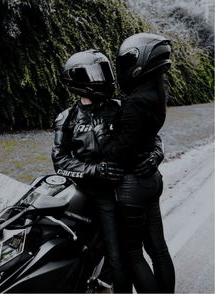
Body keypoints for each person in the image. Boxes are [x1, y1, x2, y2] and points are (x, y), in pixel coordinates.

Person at [51, 49, 165, 292]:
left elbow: (150, 136)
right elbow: (60, 161)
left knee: (130, 255)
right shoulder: (66, 118)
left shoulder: (120, 106)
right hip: (96, 195)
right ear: (78, 80)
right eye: (95, 73)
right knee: (119, 257)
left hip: (127, 189)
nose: (102, 78)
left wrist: (156, 156)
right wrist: (95, 170)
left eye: (103, 71)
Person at [93, 33, 176, 293]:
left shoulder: (135, 103)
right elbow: (147, 137)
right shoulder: (156, 92)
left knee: (132, 252)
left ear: (141, 62)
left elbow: (118, 153)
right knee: (158, 248)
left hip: (132, 186)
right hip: (151, 179)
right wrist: (154, 153)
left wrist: (102, 135)